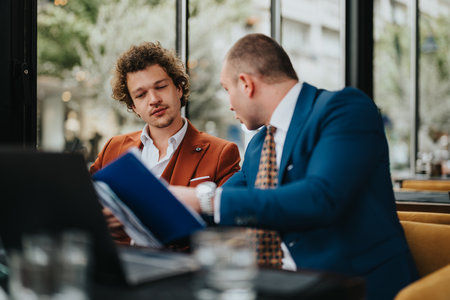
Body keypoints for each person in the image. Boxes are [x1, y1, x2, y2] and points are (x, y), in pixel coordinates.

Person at [169, 33, 418, 300]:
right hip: (279, 285)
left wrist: (202, 199)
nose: (229, 104)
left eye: (226, 89)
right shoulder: (257, 147)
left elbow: (320, 198)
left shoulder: (344, 109)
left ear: (246, 84)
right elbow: (221, 205)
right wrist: (149, 206)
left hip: (354, 286)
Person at [90, 42, 241, 245]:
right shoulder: (113, 148)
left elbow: (230, 224)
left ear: (179, 89)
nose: (153, 99)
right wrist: (99, 217)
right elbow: (85, 204)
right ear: (134, 106)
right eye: (141, 95)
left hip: (185, 269)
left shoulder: (222, 152)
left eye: (160, 87)